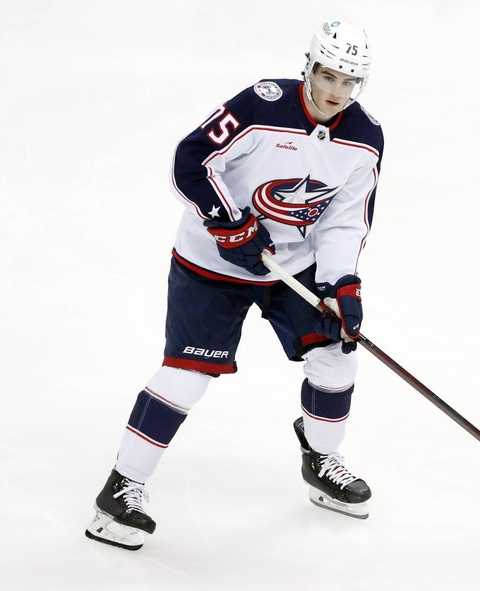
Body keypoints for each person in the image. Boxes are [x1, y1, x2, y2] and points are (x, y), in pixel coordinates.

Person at [85, 20, 384, 551]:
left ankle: (321, 459)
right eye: (329, 75)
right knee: (186, 376)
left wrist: (343, 282)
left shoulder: (365, 138)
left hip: (292, 268)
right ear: (309, 66)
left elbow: (344, 219)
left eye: (350, 81)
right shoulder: (261, 105)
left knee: (337, 359)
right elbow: (191, 160)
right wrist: (230, 223)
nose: (337, 92)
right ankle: (120, 488)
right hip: (211, 266)